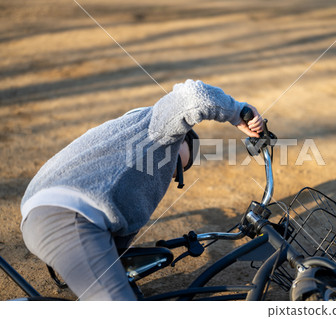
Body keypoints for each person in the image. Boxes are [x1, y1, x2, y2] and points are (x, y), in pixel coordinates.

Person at [20, 79, 264, 300]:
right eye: (177, 166)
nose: (170, 174)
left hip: (47, 214)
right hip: (67, 217)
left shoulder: (117, 145)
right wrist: (237, 112)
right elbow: (193, 96)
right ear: (180, 136)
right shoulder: (158, 128)